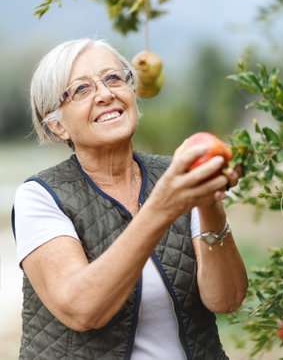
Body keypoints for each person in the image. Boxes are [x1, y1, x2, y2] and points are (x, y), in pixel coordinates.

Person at [12, 38, 248, 360]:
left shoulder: (175, 175)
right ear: (57, 126)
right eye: (81, 89)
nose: (106, 94)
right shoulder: (39, 196)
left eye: (113, 78)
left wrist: (209, 203)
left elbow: (227, 299)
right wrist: (162, 206)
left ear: (132, 92)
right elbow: (83, 310)